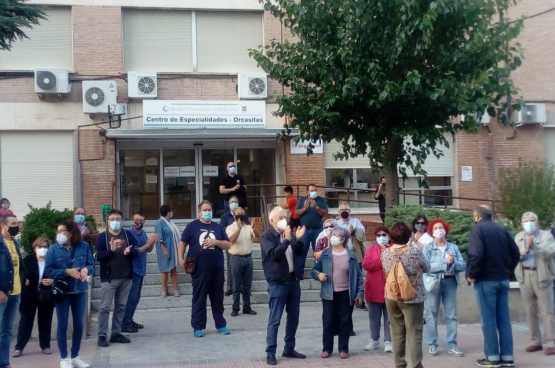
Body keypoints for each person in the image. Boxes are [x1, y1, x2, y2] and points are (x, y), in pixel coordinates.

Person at [466, 205, 520, 368]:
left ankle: (492, 357)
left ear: (477, 216)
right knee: (504, 320)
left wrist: (472, 274)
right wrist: (508, 271)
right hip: (502, 279)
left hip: (485, 280)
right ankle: (507, 357)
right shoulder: (501, 229)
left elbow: (476, 254)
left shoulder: (478, 230)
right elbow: (515, 253)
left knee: (488, 320)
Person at [44, 221, 94, 368]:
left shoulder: (83, 246)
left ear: (71, 233)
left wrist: (86, 270)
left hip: (79, 290)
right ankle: (64, 358)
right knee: (63, 324)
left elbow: (91, 265)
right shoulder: (53, 249)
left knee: (79, 325)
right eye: (58, 231)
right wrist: (66, 271)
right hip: (62, 292)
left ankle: (75, 356)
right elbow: (48, 271)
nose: (60, 234)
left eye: (63, 231)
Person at [178, 201, 231, 338]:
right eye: (205, 210)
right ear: (199, 212)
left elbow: (228, 245)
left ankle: (221, 324)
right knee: (199, 298)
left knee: (218, 298)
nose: (208, 212)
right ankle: (198, 326)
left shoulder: (218, 227)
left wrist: (216, 242)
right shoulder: (192, 226)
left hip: (217, 269)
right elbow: (182, 243)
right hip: (200, 269)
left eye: (210, 209)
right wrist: (180, 259)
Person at [260, 207, 306, 365]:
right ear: (272, 220)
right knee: (275, 319)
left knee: (293, 317)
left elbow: (298, 253)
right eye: (280, 217)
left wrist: (298, 239)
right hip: (277, 282)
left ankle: (289, 348)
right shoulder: (267, 236)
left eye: (284, 217)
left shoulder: (288, 233)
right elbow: (274, 255)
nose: (283, 220)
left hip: (293, 280)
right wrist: (286, 240)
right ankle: (270, 351)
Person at [381, 222, 430, 368]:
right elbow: (427, 267)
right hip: (413, 296)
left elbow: (385, 269)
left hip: (391, 295)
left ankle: (399, 364)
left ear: (392, 236)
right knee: (414, 333)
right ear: (409, 235)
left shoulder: (385, 253)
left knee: (396, 332)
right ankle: (416, 365)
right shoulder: (414, 252)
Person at [312, 227, 364, 359]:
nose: (332, 237)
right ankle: (327, 349)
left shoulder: (351, 255)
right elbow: (314, 270)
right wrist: (318, 275)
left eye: (335, 235)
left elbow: (359, 277)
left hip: (346, 293)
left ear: (342, 239)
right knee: (328, 321)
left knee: (344, 321)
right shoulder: (326, 253)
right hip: (329, 293)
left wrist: (359, 294)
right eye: (332, 234)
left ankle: (343, 348)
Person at [95, 209, 140, 347]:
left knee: (121, 307)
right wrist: (111, 251)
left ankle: (116, 333)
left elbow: (137, 250)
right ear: (107, 221)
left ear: (122, 221)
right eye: (112, 219)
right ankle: (102, 335)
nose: (115, 221)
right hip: (109, 278)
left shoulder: (128, 235)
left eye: (118, 219)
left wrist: (129, 252)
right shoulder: (102, 237)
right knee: (105, 307)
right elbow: (96, 255)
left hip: (126, 277)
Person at [422, 219, 466, 357]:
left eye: (441, 227)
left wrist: (452, 264)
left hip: (450, 282)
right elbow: (426, 266)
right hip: (434, 284)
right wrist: (443, 264)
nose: (439, 230)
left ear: (446, 230)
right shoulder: (428, 248)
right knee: (431, 315)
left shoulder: (453, 247)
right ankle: (432, 344)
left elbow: (462, 265)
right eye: (435, 228)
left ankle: (452, 345)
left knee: (451, 315)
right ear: (431, 232)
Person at [514, 212, 555, 356]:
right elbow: (514, 256)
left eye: (532, 220)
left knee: (547, 311)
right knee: (530, 311)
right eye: (525, 221)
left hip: (541, 275)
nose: (529, 223)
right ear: (521, 224)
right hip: (525, 276)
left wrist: (534, 247)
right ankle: (535, 341)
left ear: (537, 223)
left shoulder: (546, 236)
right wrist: (525, 249)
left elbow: (549, 253)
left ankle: (551, 342)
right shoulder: (519, 237)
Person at [13, 237, 55, 357]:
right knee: (25, 321)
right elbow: (20, 273)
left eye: (45, 247)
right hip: (29, 294)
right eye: (40, 247)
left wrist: (53, 281)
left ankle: (45, 345)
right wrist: (23, 280)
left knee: (45, 320)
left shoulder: (51, 260)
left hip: (46, 295)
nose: (42, 249)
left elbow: (59, 274)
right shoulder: (28, 259)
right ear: (35, 248)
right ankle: (19, 347)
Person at [122, 213, 159, 333]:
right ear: (132, 220)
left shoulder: (142, 233)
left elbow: (148, 249)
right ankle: (125, 323)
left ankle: (129, 319)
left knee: (136, 298)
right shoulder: (129, 234)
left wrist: (152, 242)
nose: (138, 222)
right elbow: (135, 251)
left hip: (141, 269)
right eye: (136, 220)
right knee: (131, 298)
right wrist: (148, 243)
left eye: (141, 220)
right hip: (132, 269)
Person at [363, 227, 392, 353]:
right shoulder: (371, 249)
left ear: (389, 236)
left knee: (389, 317)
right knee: (374, 317)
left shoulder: (393, 249)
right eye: (378, 235)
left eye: (384, 234)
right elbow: (367, 265)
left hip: (390, 288)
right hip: (374, 288)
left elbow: (395, 264)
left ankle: (388, 341)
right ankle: (374, 339)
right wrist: (381, 259)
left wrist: (387, 255)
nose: (381, 237)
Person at [0, 214, 23, 368]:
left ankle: (4, 362)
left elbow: (17, 267)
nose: (16, 226)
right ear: (3, 226)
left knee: (7, 331)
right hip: (2, 293)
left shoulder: (15, 243)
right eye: (13, 223)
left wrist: (24, 278)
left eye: (17, 223)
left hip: (16, 293)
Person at [226, 206, 258, 316]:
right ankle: (235, 308)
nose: (240, 215)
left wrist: (254, 228)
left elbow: (257, 236)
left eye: (242, 213)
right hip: (236, 258)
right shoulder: (230, 228)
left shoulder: (248, 227)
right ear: (234, 216)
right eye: (238, 213)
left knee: (247, 285)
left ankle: (247, 307)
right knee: (236, 285)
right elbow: (231, 240)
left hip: (248, 257)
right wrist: (239, 228)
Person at [294, 183, 328, 279]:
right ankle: (299, 274)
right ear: (307, 191)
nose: (314, 192)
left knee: (318, 252)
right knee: (301, 252)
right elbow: (296, 213)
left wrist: (316, 207)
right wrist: (305, 208)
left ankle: (317, 273)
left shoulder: (320, 200)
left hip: (317, 230)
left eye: (315, 190)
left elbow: (325, 212)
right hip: (304, 230)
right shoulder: (302, 200)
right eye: (312, 190)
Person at [220, 196, 250, 297]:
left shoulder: (243, 215)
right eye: (231, 202)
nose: (233, 203)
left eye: (235, 202)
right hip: (230, 244)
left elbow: (248, 226)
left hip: (243, 243)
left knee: (242, 268)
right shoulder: (225, 216)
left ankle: (241, 287)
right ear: (228, 205)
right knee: (230, 266)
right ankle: (230, 287)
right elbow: (222, 229)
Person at [155, 205, 180, 298]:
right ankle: (164, 290)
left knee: (173, 268)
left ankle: (176, 289)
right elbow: (159, 237)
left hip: (172, 247)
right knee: (164, 270)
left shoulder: (170, 223)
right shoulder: (159, 223)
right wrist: (164, 250)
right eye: (171, 211)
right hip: (163, 249)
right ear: (168, 212)